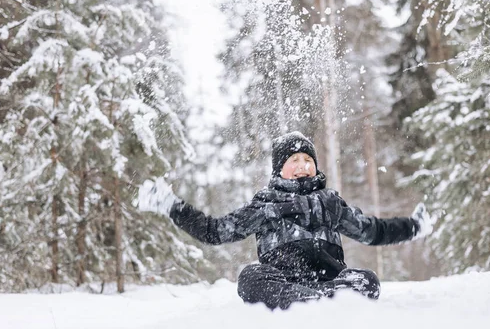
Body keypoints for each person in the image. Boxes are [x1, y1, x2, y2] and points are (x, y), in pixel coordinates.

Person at [139, 131, 434, 310]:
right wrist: (171, 205)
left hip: (331, 280)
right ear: (280, 170)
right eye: (294, 161)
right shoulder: (265, 205)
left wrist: (414, 226)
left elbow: (373, 232)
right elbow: (215, 231)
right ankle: (307, 299)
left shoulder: (330, 204)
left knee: (367, 280)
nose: (303, 166)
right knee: (249, 279)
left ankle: (319, 296)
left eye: (308, 161)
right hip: (282, 283)